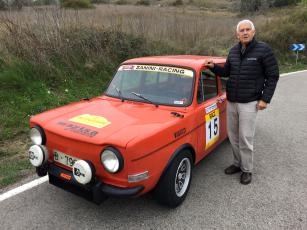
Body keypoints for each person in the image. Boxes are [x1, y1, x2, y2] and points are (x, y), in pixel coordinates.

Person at [204, 19, 279, 185]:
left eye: (247, 30)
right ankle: (237, 164)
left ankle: (247, 169)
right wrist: (213, 67)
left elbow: (273, 76)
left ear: (253, 32)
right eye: (241, 30)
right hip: (232, 101)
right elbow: (227, 71)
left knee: (245, 137)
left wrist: (265, 99)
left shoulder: (263, 50)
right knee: (233, 135)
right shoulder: (233, 51)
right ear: (237, 34)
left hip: (250, 102)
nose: (244, 33)